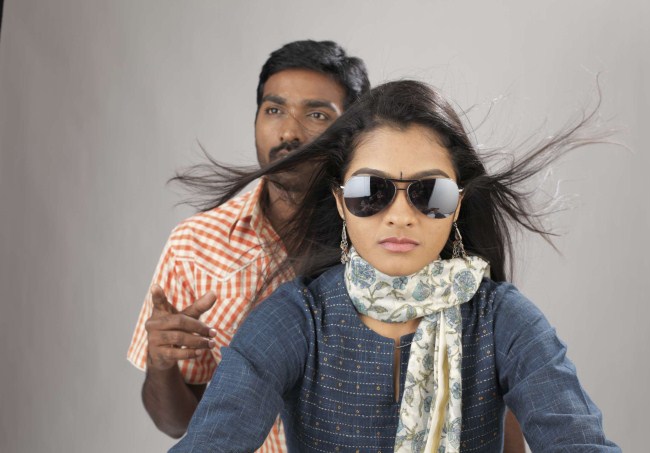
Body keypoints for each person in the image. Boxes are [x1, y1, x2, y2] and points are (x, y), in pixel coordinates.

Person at [169, 80, 620, 452]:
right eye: (372, 191)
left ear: (458, 205)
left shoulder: (503, 319)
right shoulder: (294, 319)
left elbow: (578, 442)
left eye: (430, 193)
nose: (401, 215)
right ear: (340, 202)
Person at [127, 40, 371, 449]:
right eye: (274, 110)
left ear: (354, 132)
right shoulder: (195, 245)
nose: (289, 132)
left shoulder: (386, 237)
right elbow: (177, 423)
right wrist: (161, 363)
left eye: (316, 114)